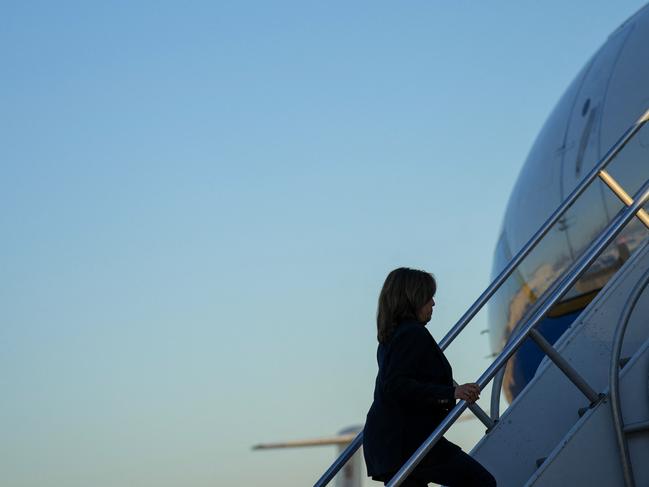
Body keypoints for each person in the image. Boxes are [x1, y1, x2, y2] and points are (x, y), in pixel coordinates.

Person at [363, 267, 496, 486]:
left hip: (391, 444)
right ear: (413, 299)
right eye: (427, 297)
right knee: (481, 482)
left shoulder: (392, 336)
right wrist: (452, 392)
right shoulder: (412, 334)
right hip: (407, 442)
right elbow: (397, 385)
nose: (433, 303)